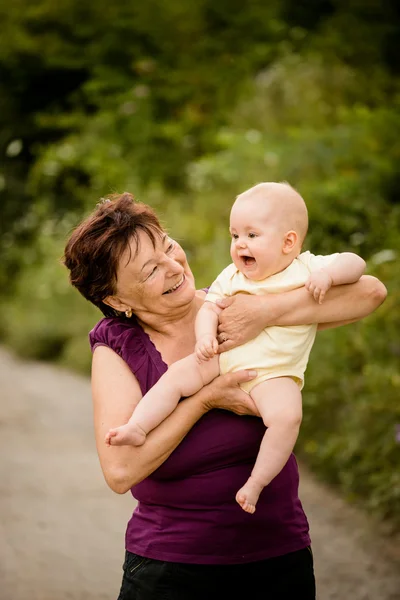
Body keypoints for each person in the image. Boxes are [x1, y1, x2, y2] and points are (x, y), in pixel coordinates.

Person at [63, 192, 386, 600]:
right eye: (149, 271)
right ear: (116, 299)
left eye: (168, 246)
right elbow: (121, 472)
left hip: (278, 553)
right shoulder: (117, 348)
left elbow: (370, 293)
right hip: (172, 568)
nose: (173, 266)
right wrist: (205, 399)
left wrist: (265, 312)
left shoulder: (239, 301)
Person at [104, 182, 366, 514]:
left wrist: (327, 279)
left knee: (286, 418)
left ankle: (256, 482)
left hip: (272, 373)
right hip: (224, 356)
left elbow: (357, 268)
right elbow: (211, 309)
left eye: (252, 235)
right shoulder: (231, 277)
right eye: (234, 235)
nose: (240, 244)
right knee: (175, 378)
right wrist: (204, 340)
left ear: (288, 242)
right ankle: (137, 427)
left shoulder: (307, 269)